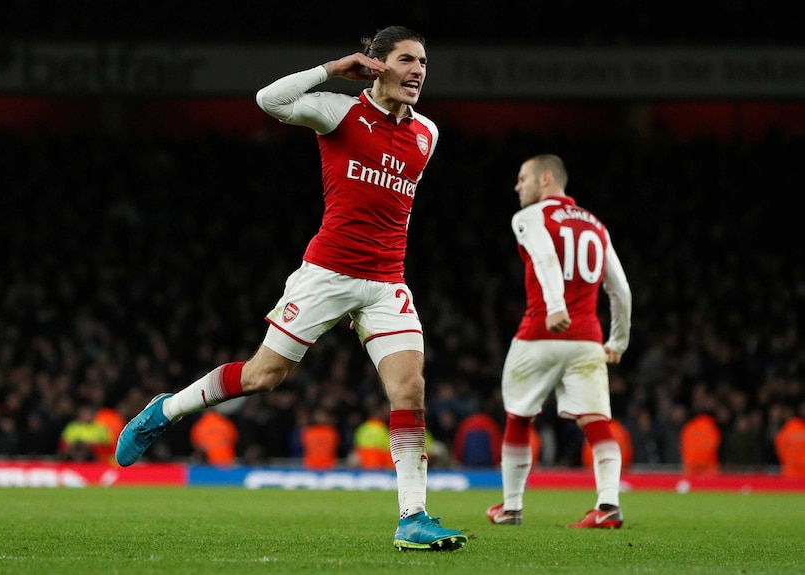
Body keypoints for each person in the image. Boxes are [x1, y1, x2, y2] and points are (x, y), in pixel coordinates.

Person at [114, 25, 466, 551]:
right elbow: (268, 99)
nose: (418, 70)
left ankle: (412, 517)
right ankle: (166, 410)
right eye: (406, 59)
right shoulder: (338, 111)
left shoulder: (427, 134)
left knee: (409, 387)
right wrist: (332, 69)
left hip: (387, 281)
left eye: (423, 62)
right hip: (327, 274)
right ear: (376, 64)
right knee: (263, 377)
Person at [486, 154, 632, 529]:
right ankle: (608, 506)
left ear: (546, 179)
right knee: (597, 422)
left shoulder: (530, 217)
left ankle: (512, 508)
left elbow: (546, 257)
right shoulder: (597, 225)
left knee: (519, 418)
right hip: (587, 340)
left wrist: (554, 307)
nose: (518, 187)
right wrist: (617, 341)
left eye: (523, 178)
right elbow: (620, 289)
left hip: (540, 333)